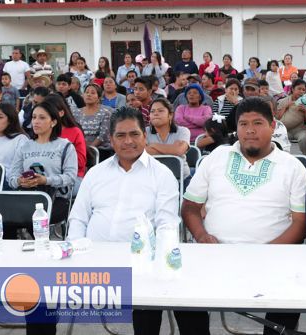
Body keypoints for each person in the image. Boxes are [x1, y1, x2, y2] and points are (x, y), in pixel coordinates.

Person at [67, 106, 208, 334]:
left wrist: (150, 264)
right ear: (111, 140)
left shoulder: (161, 175)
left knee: (183, 302)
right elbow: (78, 218)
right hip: (93, 259)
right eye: (120, 136)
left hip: (140, 264)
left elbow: (166, 224)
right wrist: (77, 253)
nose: (128, 141)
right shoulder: (96, 174)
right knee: (34, 296)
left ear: (145, 136)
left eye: (134, 134)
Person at [182, 97, 306, 335]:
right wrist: (201, 236)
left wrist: (266, 252)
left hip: (273, 260)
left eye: (258, 123)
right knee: (180, 294)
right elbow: (189, 206)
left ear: (273, 126)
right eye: (243, 123)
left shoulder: (292, 167)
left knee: (292, 290)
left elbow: (300, 224)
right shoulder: (216, 159)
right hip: (215, 255)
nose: (250, 130)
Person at [8, 100, 78, 228]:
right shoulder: (25, 146)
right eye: (34, 117)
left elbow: (71, 177)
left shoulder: (65, 146)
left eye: (42, 117)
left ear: (53, 122)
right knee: (7, 216)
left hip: (55, 198)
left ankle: (38, 244)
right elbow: (11, 176)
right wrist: (20, 181)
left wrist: (46, 180)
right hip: (28, 196)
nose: (36, 121)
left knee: (33, 218)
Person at [0, 104, 28, 189]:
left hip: (8, 184)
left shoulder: (20, 139)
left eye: (0, 117)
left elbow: (19, 169)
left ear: (10, 120)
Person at [74, 84, 112, 150]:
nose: (89, 94)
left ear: (99, 98)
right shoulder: (75, 112)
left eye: (93, 93)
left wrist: (89, 149)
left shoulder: (106, 112)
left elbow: (103, 136)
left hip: (100, 150)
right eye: (87, 92)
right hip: (80, 148)